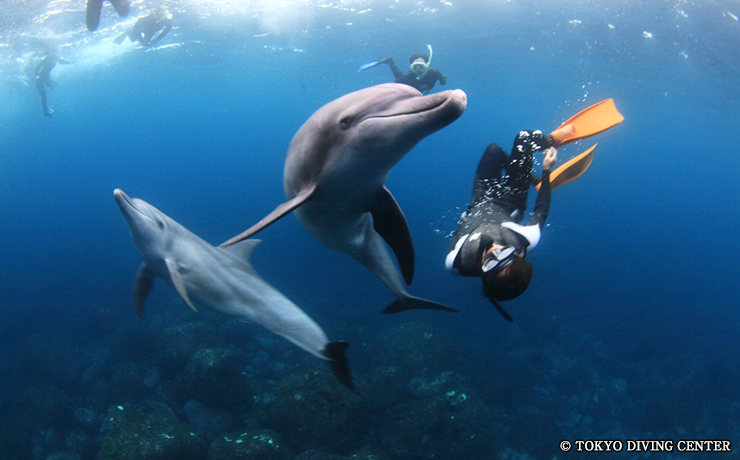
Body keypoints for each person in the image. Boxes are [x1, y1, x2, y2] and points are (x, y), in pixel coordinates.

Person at [445, 128, 568, 321]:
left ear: (484, 275)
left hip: (481, 198)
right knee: (525, 137)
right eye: (505, 253)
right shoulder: (525, 240)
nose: (494, 250)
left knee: (493, 150)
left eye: (491, 262)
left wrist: (466, 221)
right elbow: (541, 210)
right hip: (512, 199)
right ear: (517, 253)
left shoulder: (457, 263)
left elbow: (460, 231)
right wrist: (546, 171)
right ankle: (548, 144)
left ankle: (527, 175)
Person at [358, 44, 447, 94]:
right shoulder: (407, 78)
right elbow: (393, 85)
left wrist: (442, 79)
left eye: (421, 66)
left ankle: (391, 62)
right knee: (399, 80)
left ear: (428, 66)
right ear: (411, 68)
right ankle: (391, 63)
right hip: (406, 83)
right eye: (415, 67)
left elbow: (443, 81)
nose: (418, 70)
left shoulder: (435, 74)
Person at [35, 53, 73, 117]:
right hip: (40, 79)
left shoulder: (56, 58)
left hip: (46, 78)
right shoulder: (48, 58)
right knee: (43, 96)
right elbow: (38, 66)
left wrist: (70, 62)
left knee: (55, 86)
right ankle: (46, 112)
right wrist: (36, 75)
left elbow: (61, 61)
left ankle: (52, 105)